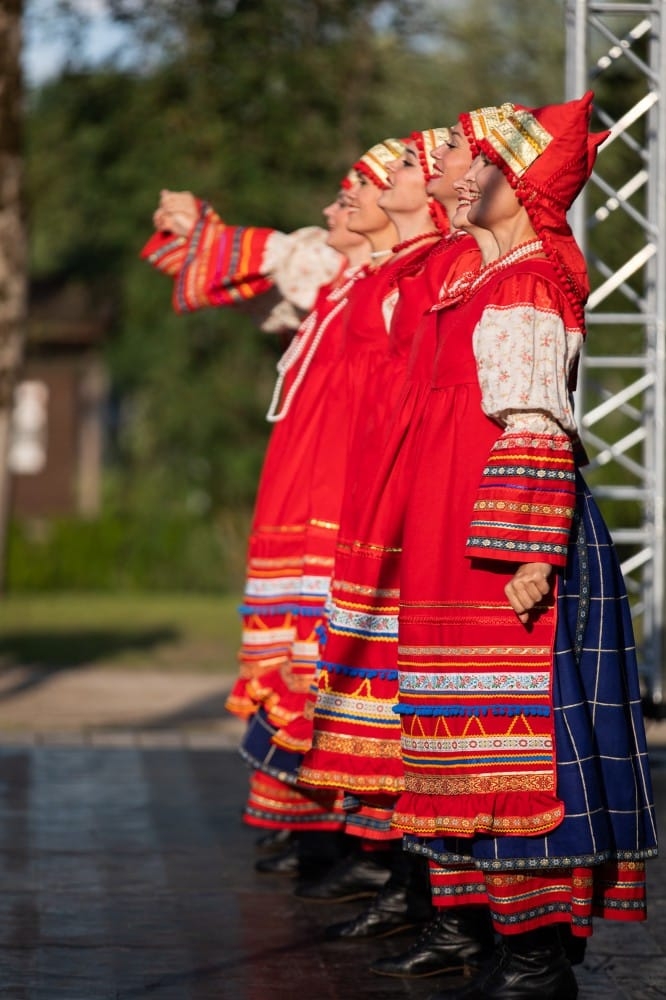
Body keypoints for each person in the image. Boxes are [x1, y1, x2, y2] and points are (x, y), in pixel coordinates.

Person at [390, 92, 657, 1000]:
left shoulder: (529, 281)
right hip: (452, 531)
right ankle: (481, 928)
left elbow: (536, 420)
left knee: (524, 740)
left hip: (509, 533)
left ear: (521, 183)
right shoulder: (477, 275)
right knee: (466, 737)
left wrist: (531, 549)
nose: (459, 178)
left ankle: (538, 950)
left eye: (478, 164)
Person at [141, 176, 371, 873]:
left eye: (352, 191)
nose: (331, 206)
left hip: (342, 487)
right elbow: (281, 262)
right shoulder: (345, 282)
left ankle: (357, 834)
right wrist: (200, 230)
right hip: (309, 479)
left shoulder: (391, 279)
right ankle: (308, 815)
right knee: (293, 649)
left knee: (331, 654)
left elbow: (283, 255)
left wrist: (205, 226)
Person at [296, 127, 486, 957]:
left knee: (427, 698)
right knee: (393, 696)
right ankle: (414, 885)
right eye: (412, 162)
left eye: (416, 161)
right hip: (385, 483)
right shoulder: (399, 270)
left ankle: (443, 897)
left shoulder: (454, 263)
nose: (423, 170)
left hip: (426, 487)